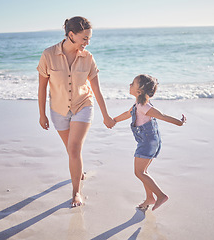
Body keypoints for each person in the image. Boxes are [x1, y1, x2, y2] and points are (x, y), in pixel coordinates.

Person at [37, 16, 115, 207]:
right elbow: (42, 88)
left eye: (89, 38)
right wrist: (42, 114)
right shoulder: (48, 55)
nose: (88, 42)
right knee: (71, 150)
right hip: (58, 109)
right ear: (71, 35)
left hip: (83, 106)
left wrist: (106, 115)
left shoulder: (88, 58)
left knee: (73, 149)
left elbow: (96, 89)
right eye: (84, 38)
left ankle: (76, 193)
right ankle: (78, 170)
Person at [113, 74, 186, 211]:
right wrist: (114, 120)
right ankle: (149, 198)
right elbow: (127, 113)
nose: (129, 85)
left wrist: (179, 123)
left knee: (139, 172)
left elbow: (162, 116)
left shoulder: (144, 106)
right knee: (143, 171)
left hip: (148, 143)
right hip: (148, 142)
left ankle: (160, 196)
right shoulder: (138, 105)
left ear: (139, 91)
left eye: (132, 83)